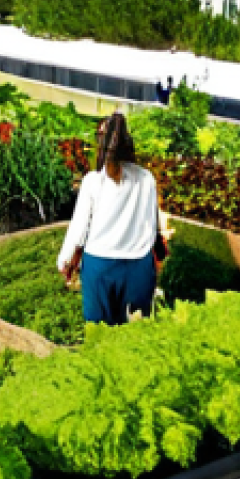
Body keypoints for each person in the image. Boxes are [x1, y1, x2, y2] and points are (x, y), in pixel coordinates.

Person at [57, 112, 160, 326]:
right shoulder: (146, 178)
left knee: (99, 332)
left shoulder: (93, 181)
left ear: (100, 145)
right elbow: (152, 224)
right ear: (127, 142)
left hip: (99, 266)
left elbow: (79, 229)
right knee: (137, 332)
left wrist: (65, 261)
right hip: (138, 266)